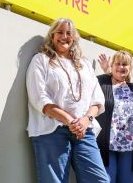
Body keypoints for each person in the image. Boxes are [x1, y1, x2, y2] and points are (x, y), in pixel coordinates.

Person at [26, 18, 110, 183]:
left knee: (99, 180)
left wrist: (86, 120)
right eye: (60, 32)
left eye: (68, 33)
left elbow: (97, 98)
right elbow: (39, 97)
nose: (64, 36)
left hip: (84, 131)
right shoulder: (41, 60)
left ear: (74, 38)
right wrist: (69, 120)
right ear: (52, 35)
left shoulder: (84, 64)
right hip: (52, 130)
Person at [95, 51, 133, 183]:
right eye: (117, 64)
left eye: (124, 64)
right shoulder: (101, 82)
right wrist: (107, 71)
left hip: (129, 147)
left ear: (129, 68)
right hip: (107, 145)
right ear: (111, 66)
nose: (121, 67)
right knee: (106, 180)